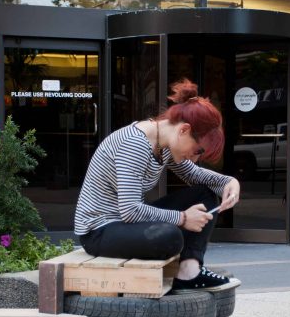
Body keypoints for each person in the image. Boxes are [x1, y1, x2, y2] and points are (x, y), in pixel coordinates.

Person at [74, 78, 241, 290]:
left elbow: (196, 175)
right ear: (184, 130)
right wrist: (183, 218)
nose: (196, 158)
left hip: (126, 223)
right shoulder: (134, 144)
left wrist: (229, 182)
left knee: (205, 195)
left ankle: (189, 272)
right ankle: (185, 269)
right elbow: (130, 211)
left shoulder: (164, 145)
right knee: (169, 237)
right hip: (99, 231)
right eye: (198, 150)